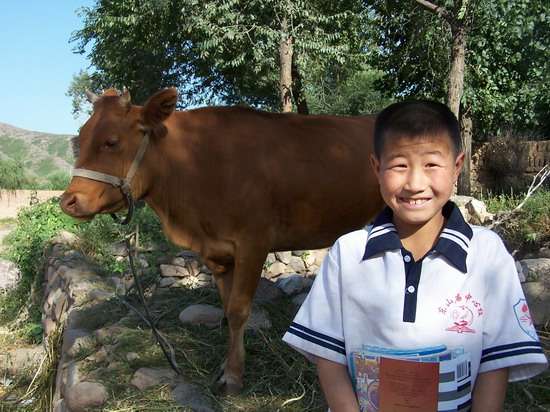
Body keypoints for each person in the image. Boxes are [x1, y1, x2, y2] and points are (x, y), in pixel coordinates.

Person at [282, 100, 548, 412]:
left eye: (432, 165)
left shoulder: (486, 253)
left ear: (457, 166)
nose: (415, 183)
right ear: (376, 168)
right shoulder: (349, 253)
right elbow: (328, 355)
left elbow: (496, 359)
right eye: (399, 165)